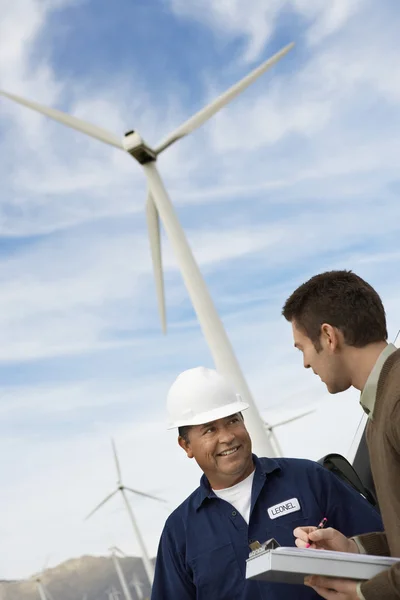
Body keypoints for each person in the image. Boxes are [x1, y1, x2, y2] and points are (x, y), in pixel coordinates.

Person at [151, 365, 383, 600]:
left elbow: (384, 547)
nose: (228, 436)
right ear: (186, 446)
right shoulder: (178, 533)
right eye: (210, 429)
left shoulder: (309, 478)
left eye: (233, 421)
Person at [282, 269, 400, 600]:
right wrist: (354, 548)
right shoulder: (382, 407)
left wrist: (362, 594)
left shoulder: (396, 402)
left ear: (329, 336)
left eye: (301, 348)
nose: (305, 363)